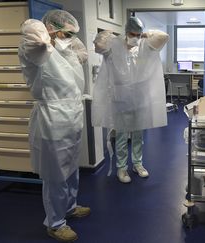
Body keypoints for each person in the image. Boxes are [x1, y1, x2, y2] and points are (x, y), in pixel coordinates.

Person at [18, 10, 90, 242]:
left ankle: (70, 207)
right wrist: (42, 32)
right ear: (52, 29)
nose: (69, 37)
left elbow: (76, 69)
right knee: (55, 175)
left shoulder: (65, 49)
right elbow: (36, 44)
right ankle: (55, 223)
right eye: (66, 33)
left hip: (72, 117)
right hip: (52, 118)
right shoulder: (36, 48)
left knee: (71, 169)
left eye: (71, 34)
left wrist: (71, 44)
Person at [92, 17, 169, 183]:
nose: (136, 37)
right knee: (121, 136)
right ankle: (121, 168)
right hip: (120, 101)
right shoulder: (113, 47)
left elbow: (164, 37)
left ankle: (137, 164)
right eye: (132, 34)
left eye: (138, 34)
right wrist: (110, 34)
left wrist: (148, 34)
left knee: (138, 135)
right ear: (126, 33)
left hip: (140, 101)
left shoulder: (145, 47)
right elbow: (98, 44)